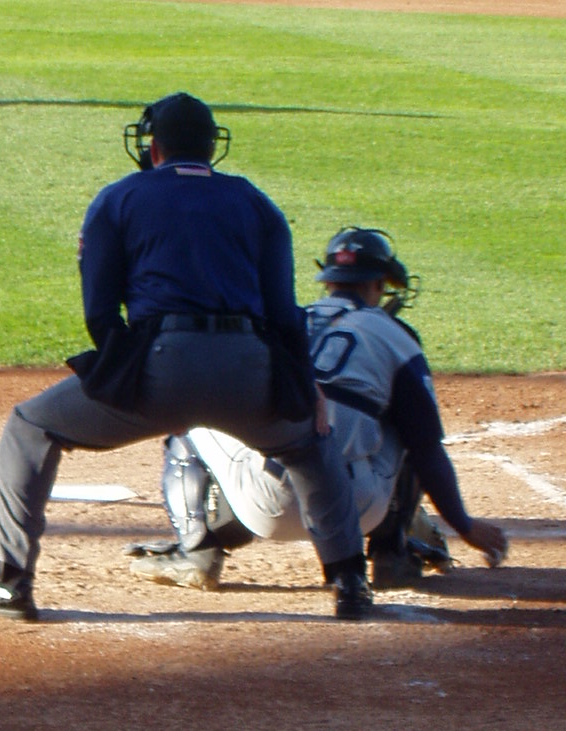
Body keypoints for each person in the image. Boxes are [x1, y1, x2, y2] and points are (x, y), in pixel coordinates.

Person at [0, 92, 370, 622]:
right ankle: (351, 582)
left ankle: (10, 581)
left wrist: (128, 375)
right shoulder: (256, 202)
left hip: (160, 363)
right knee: (311, 443)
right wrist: (302, 386)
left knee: (30, 426)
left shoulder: (119, 197)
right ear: (211, 147)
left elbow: (101, 311)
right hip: (249, 368)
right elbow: (284, 315)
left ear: (154, 147)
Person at [129, 227, 508, 588]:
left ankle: (197, 550)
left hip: (262, 506)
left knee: (192, 422)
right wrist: (463, 525)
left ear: (328, 281)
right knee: (405, 423)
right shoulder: (397, 337)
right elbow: (427, 449)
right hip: (354, 510)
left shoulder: (278, 323)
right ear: (379, 284)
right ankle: (392, 554)